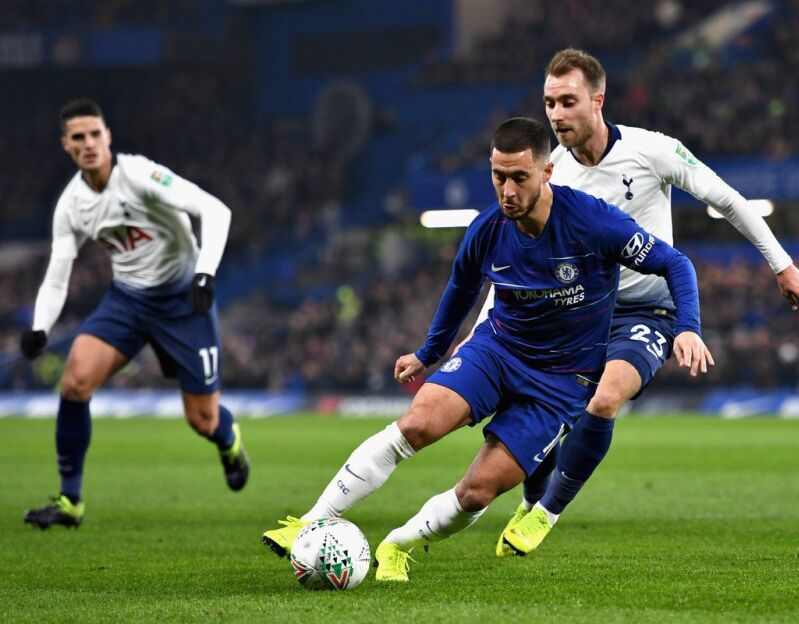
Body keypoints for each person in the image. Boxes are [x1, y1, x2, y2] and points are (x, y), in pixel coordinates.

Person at [260, 117, 713, 582]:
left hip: (561, 383)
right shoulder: (488, 228)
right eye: (499, 176)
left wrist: (688, 328)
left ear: (547, 172)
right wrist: (428, 352)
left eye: (519, 177)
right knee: (416, 425)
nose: (507, 191)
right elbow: (460, 289)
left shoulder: (593, 222)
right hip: (498, 351)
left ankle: (398, 544)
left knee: (477, 492)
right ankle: (309, 521)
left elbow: (675, 263)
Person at [481, 49, 799, 556]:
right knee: (545, 411)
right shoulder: (550, 174)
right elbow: (515, 259)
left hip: (647, 310)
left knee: (605, 399)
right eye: (549, 103)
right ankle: (531, 499)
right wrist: (482, 328)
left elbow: (727, 199)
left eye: (568, 101)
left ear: (598, 100)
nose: (556, 114)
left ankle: (546, 514)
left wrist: (782, 264)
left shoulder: (651, 150)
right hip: (578, 313)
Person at [22, 99, 249, 530]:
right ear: (66, 144)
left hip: (182, 301)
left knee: (203, 420)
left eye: (95, 134)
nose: (89, 143)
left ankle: (229, 440)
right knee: (74, 382)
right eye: (78, 137)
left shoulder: (140, 175)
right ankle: (70, 501)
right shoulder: (71, 204)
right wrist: (39, 327)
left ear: (108, 136)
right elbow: (57, 275)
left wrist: (205, 274)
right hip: (128, 300)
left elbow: (215, 210)